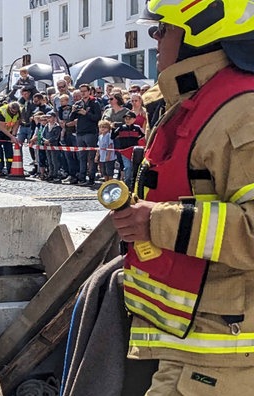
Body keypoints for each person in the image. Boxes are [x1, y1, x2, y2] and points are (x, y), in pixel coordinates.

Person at [108, 1, 254, 393]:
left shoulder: (243, 113)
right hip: (195, 344)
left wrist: (156, 221)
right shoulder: (195, 103)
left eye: (161, 31)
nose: (154, 42)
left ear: (197, 36)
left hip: (225, 356)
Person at [70, 84, 102, 186]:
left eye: (85, 91)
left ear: (89, 92)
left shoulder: (95, 103)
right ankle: (82, 177)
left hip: (90, 132)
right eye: (81, 91)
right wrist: (73, 111)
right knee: (82, 157)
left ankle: (91, 178)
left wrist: (86, 113)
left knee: (91, 157)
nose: (83, 93)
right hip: (80, 132)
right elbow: (71, 119)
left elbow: (97, 117)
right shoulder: (78, 103)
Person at [110, 110, 144, 189]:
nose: (127, 120)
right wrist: (112, 128)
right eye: (126, 119)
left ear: (134, 119)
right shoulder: (121, 128)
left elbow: (143, 136)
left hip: (135, 151)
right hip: (124, 151)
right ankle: (127, 185)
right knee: (128, 167)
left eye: (129, 118)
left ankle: (134, 185)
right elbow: (113, 137)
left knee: (135, 168)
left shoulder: (137, 128)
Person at [0, 101, 21, 175]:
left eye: (16, 111)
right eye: (13, 111)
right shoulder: (2, 112)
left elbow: (16, 123)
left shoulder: (18, 112)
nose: (14, 113)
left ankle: (10, 169)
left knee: (9, 149)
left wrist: (14, 135)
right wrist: (11, 136)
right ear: (9, 108)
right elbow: (2, 127)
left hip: (8, 131)